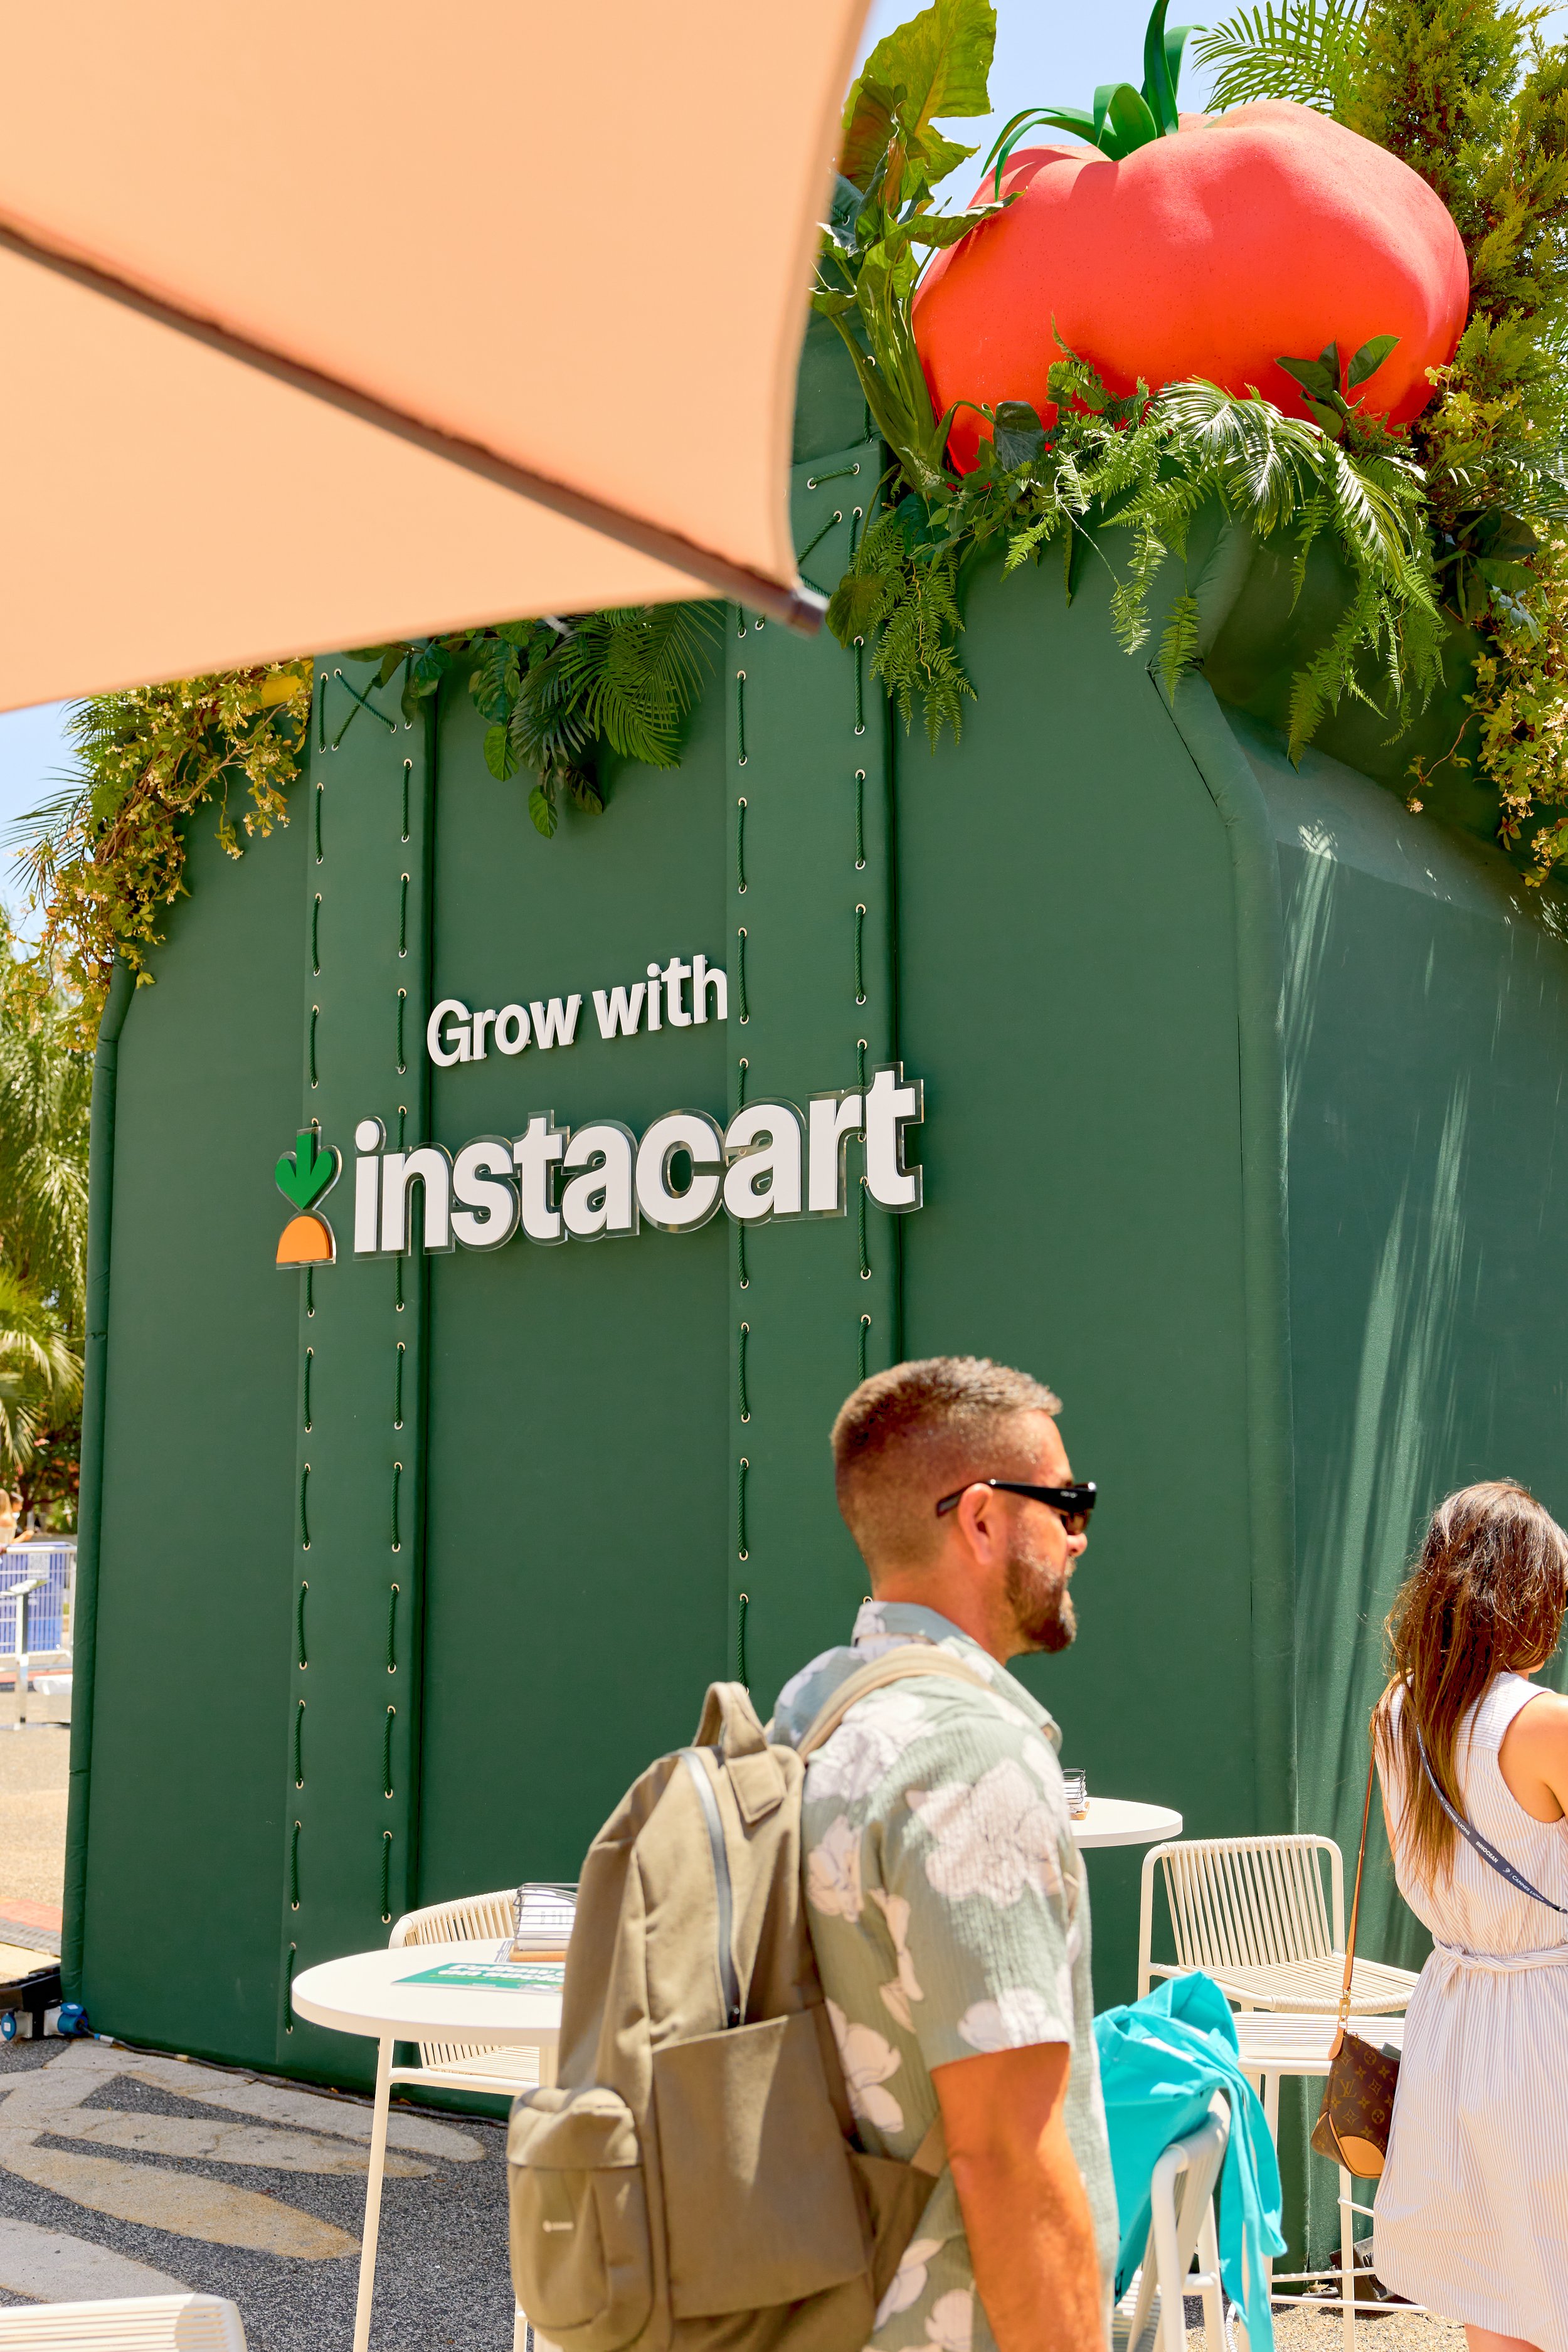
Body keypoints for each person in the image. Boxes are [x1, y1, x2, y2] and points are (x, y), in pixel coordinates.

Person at [773, 1356, 1116, 2352]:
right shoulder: (967, 1758)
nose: (1079, 1534)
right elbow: (1006, 2154)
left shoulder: (811, 1717)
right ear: (981, 1519)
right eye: (1066, 1501)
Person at [1371, 1480, 1568, 2352]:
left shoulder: (1397, 1712)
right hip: (1548, 2021)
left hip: (1455, 2019)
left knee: (1499, 2287)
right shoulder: (1545, 1723)